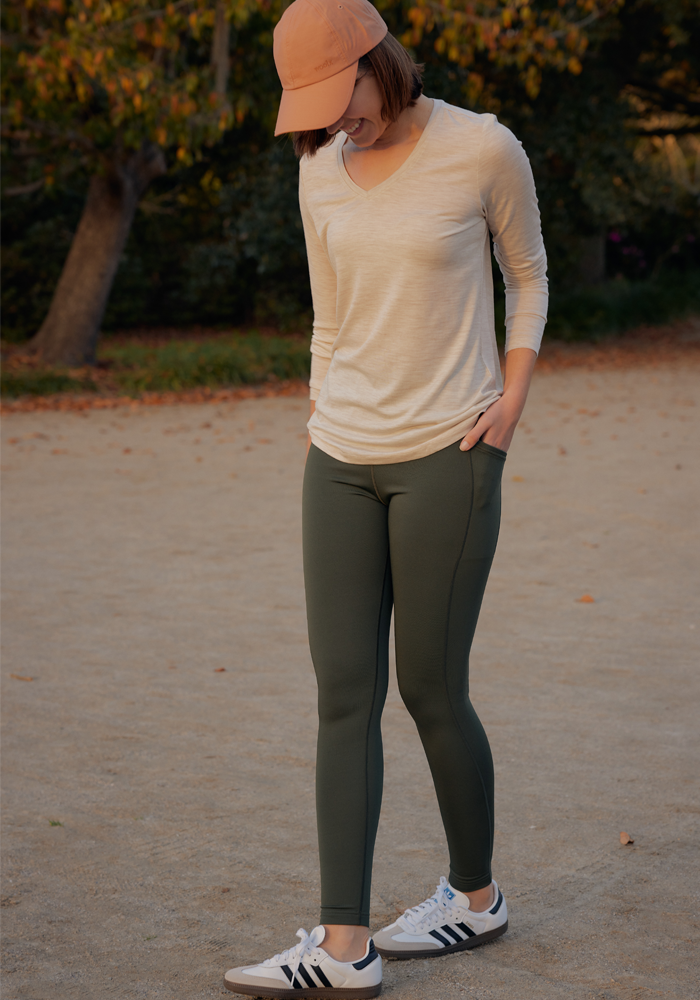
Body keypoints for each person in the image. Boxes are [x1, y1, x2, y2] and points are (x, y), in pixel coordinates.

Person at [224, 0, 547, 995]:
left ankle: (476, 896)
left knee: (430, 688)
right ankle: (344, 944)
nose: (337, 121)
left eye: (343, 97)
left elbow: (527, 276)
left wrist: (510, 403)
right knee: (341, 696)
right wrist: (321, 405)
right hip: (339, 459)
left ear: (379, 61)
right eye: (317, 108)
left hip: (449, 454)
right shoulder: (317, 169)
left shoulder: (482, 148)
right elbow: (329, 313)